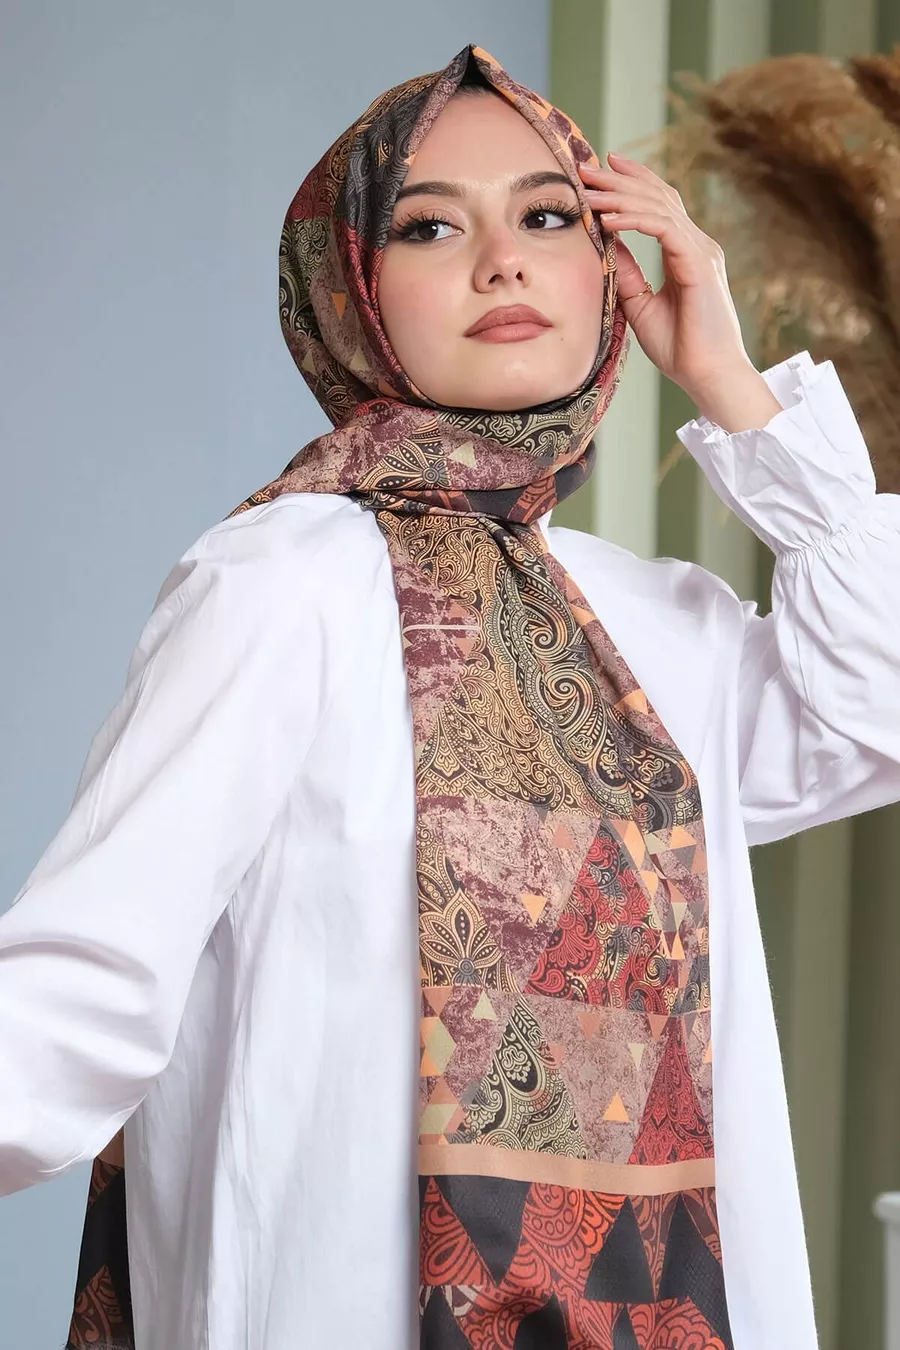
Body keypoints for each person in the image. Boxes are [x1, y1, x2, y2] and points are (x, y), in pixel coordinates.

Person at [1, 39, 898, 1350]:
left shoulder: (656, 626)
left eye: (549, 217)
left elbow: (877, 713)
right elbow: (90, 979)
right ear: (349, 288)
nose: (502, 262)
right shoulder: (280, 583)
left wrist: (736, 388)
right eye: (430, 226)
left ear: (613, 267)